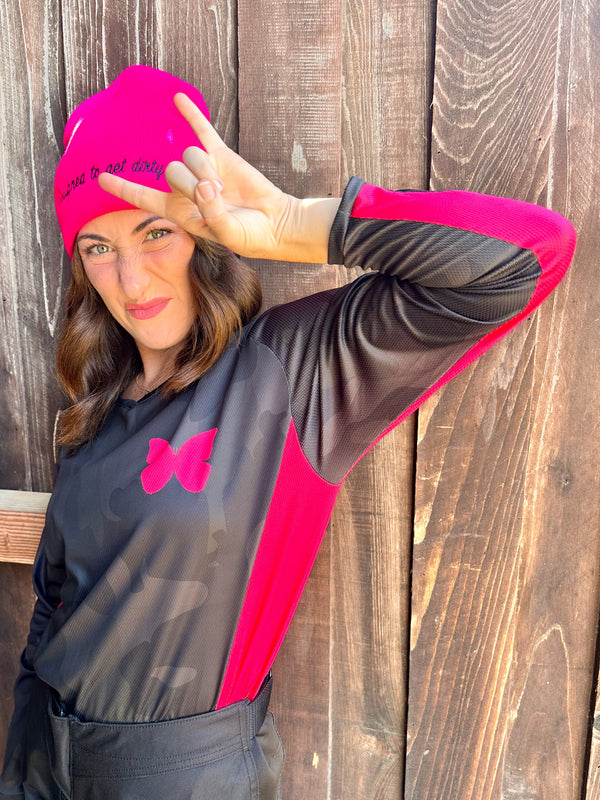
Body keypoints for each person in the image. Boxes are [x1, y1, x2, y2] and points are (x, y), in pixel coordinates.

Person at [0, 64, 576, 800]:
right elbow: (53, 607)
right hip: (43, 763)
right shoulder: (94, 413)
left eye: (156, 232)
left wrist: (296, 223)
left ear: (204, 232)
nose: (133, 280)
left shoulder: (288, 374)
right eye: (98, 248)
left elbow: (530, 254)